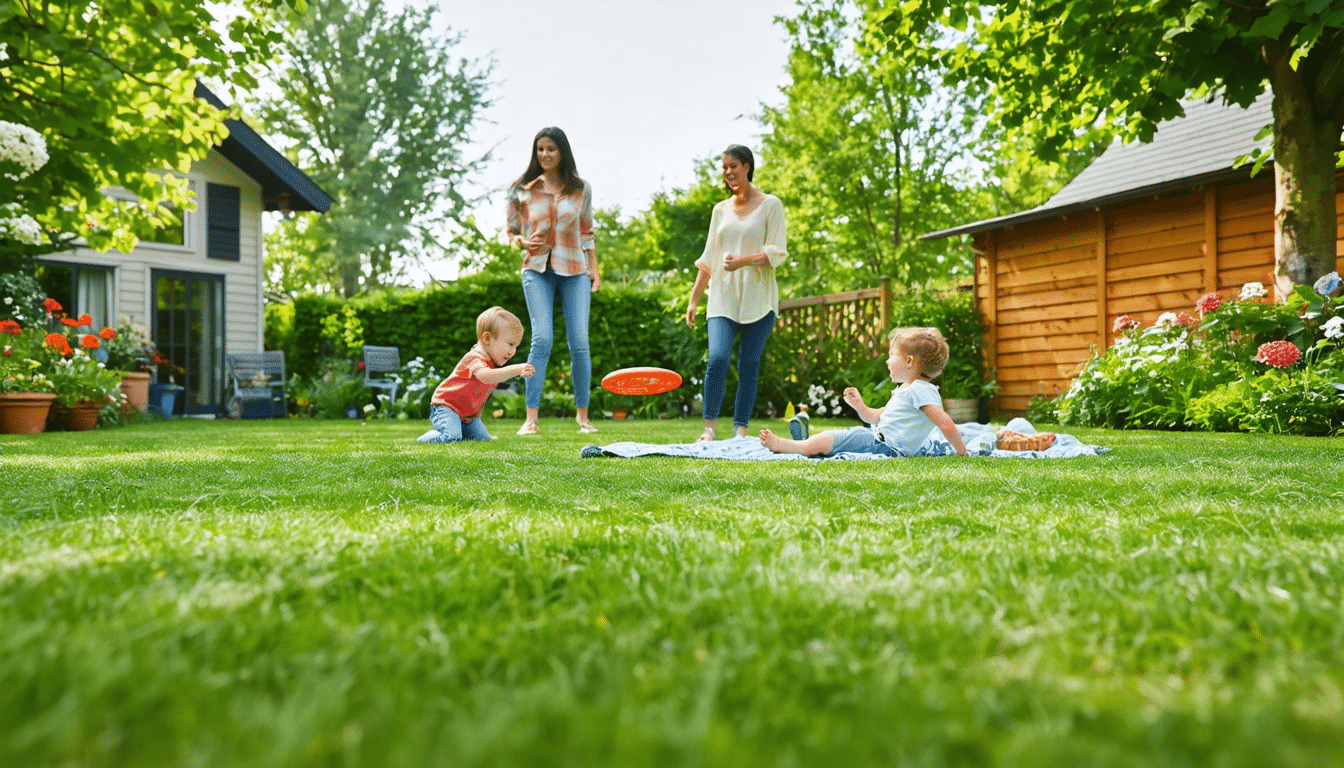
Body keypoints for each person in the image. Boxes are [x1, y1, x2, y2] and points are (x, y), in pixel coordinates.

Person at [684, 144, 787, 441]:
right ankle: (709, 429)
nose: (728, 172)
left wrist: (742, 260)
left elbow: (776, 252)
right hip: (722, 298)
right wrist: (693, 299)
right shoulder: (720, 210)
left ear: (747, 167)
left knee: (749, 364)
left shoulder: (771, 205)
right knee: (717, 358)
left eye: (734, 166)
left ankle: (740, 430)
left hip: (759, 299)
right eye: (725, 167)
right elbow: (709, 258)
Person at [506, 126, 600, 436]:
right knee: (542, 338)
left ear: (562, 152)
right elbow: (512, 232)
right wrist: (518, 243)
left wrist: (594, 270)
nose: (545, 155)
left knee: (580, 342)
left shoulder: (581, 189)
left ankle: (583, 417)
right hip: (536, 269)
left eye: (551, 149)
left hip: (575, 269)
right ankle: (531, 419)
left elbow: (586, 232)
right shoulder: (522, 189)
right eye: (540, 149)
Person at [758, 327, 968, 458]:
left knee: (828, 439)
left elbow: (945, 422)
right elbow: (876, 417)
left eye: (891, 354)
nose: (887, 360)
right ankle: (802, 442)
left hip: (883, 446)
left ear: (909, 361)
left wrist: (962, 453)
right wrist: (860, 406)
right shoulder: (909, 390)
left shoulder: (921, 390)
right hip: (879, 441)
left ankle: (786, 445)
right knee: (836, 439)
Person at [416, 306, 535, 444]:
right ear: (487, 338)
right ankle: (427, 438)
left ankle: (459, 431)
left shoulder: (490, 365)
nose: (512, 352)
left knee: (482, 439)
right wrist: (517, 369)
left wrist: (475, 416)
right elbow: (486, 376)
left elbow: (480, 396)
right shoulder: (474, 358)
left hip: (467, 415)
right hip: (446, 406)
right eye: (510, 344)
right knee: (451, 437)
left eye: (516, 347)